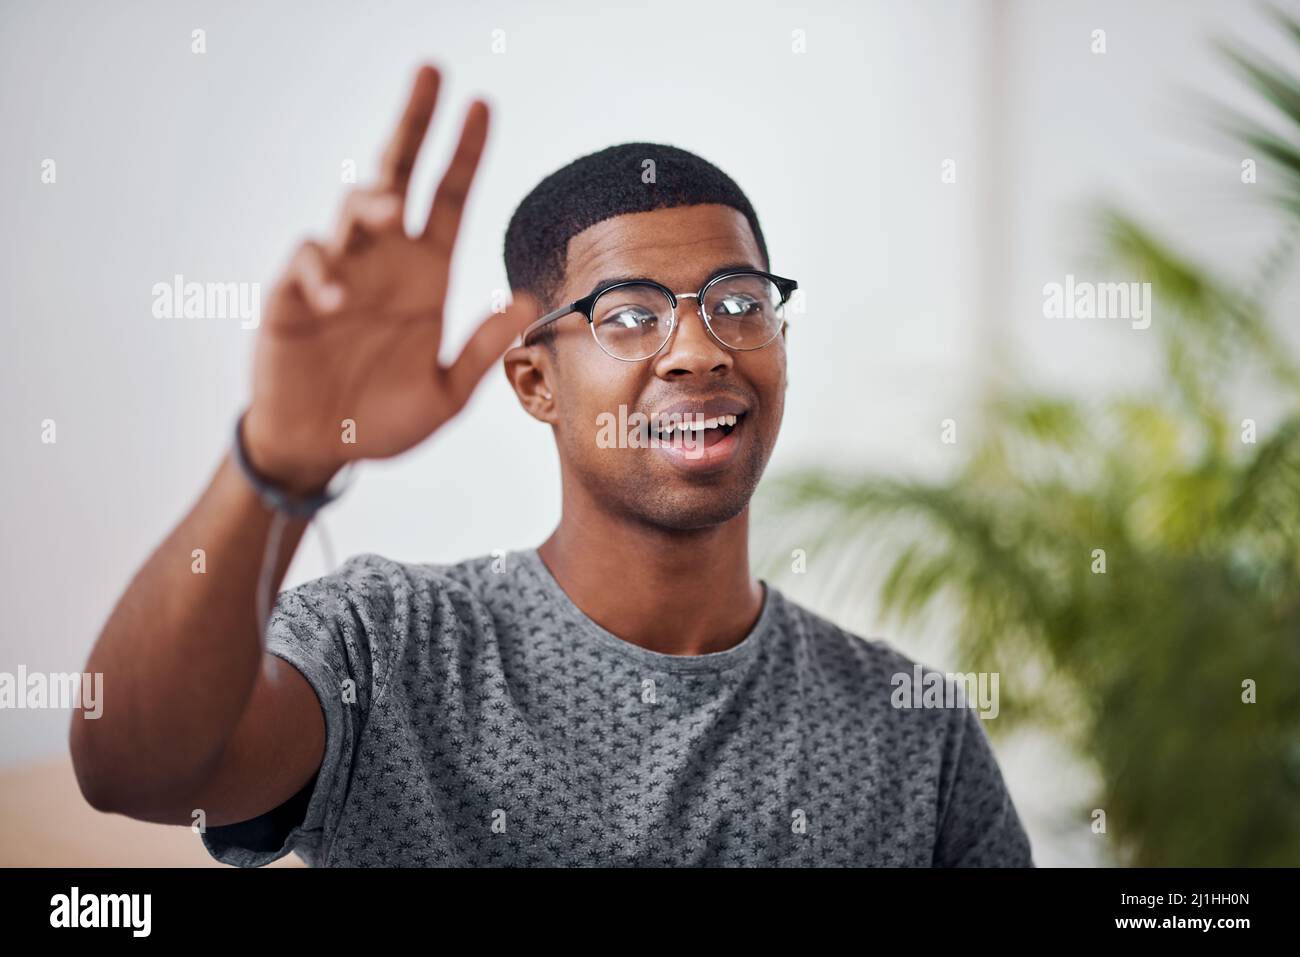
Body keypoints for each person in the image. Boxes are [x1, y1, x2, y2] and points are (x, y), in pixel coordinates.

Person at [70, 64, 1034, 867]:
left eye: (739, 302)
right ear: (534, 381)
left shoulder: (917, 734)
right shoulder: (388, 647)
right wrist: (274, 462)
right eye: (629, 314)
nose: (700, 350)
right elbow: (133, 770)